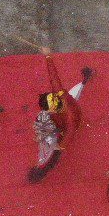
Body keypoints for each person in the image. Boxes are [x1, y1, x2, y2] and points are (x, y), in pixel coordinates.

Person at [28, 48, 92, 183]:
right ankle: (86, 78)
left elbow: (69, 133)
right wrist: (48, 56)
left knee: (55, 150)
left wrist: (58, 146)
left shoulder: (70, 119)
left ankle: (43, 171)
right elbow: (53, 76)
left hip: (67, 124)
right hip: (67, 112)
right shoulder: (59, 92)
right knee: (76, 92)